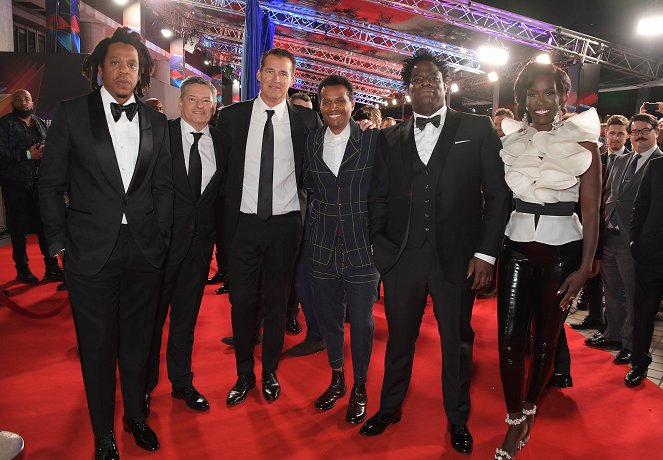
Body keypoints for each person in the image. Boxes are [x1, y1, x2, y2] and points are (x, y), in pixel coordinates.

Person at [361, 49, 511, 456]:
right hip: (402, 259)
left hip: (457, 260)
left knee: (457, 342)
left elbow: (498, 196)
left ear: (446, 86)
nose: (425, 84)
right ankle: (390, 407)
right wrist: (379, 245)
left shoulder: (477, 129)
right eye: (417, 80)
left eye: (433, 79)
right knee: (399, 341)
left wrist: (486, 255)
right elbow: (377, 196)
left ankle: (457, 418)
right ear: (407, 90)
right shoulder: (389, 137)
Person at [39, 27, 173, 459]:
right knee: (97, 348)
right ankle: (103, 434)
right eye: (115, 63)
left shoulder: (155, 120)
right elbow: (50, 183)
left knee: (138, 342)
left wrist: (162, 237)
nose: (123, 71)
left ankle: (135, 416)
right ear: (99, 68)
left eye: (131, 65)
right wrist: (58, 242)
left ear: (142, 72)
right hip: (89, 252)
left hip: (144, 251)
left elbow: (164, 187)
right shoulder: (72, 113)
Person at [494, 61, 601, 460]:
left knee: (546, 341)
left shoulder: (584, 142)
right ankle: (512, 416)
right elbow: (499, 202)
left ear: (563, 96)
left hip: (563, 253)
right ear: (522, 97)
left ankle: (529, 408)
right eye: (533, 93)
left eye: (550, 93)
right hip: (517, 248)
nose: (542, 101)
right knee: (508, 340)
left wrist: (585, 268)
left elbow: (591, 212)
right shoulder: (510, 141)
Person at [217, 48, 321, 406]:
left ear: (292, 80)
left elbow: (318, 174)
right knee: (242, 301)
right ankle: (244, 372)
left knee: (277, 302)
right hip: (243, 224)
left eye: (284, 74)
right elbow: (220, 175)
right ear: (258, 75)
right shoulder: (231, 118)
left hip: (285, 225)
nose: (276, 80)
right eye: (270, 72)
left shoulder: (307, 122)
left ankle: (270, 372)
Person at [303, 75, 380, 423]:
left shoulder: (371, 141)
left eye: (340, 101)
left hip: (362, 246)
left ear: (352, 103)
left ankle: (360, 386)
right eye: (326, 102)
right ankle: (337, 378)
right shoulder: (310, 140)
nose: (333, 108)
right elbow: (310, 186)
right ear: (320, 106)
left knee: (362, 323)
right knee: (330, 319)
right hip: (322, 246)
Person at [145, 76, 223, 416]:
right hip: (159, 249)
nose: (200, 106)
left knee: (185, 321)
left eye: (207, 100)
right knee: (149, 322)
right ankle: (142, 388)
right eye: (193, 99)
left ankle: (182, 382)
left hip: (197, 249)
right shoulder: (159, 136)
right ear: (180, 104)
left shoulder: (222, 142)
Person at [587, 113, 662, 365]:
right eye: (635, 131)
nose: (639, 134)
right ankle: (614, 334)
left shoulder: (660, 163)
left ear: (656, 132)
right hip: (610, 236)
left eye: (645, 130)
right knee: (613, 291)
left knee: (633, 296)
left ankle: (632, 345)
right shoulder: (621, 161)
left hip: (636, 242)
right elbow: (610, 196)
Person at [0, 90, 63, 286]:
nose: (23, 102)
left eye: (26, 99)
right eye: (18, 99)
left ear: (32, 101)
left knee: (46, 227)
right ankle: (23, 270)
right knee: (18, 230)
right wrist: (28, 155)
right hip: (15, 185)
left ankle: (51, 267)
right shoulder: (4, 124)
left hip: (39, 184)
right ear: (13, 103)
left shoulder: (39, 122)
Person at [626, 155, 663, 387]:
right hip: (652, 252)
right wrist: (635, 241)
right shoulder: (657, 165)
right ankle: (639, 362)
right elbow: (641, 205)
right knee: (643, 311)